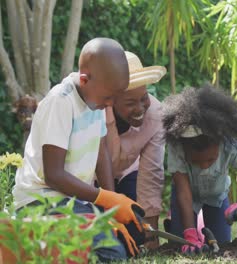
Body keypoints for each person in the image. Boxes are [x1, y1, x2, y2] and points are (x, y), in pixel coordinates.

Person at [12, 38, 145, 261]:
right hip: (40, 202)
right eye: (108, 97)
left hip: (72, 202)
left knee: (127, 239)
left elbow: (101, 150)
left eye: (115, 97)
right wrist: (105, 200)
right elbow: (54, 176)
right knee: (111, 253)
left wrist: (111, 206)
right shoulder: (61, 102)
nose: (111, 104)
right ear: (84, 80)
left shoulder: (97, 99)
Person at [162, 86, 237, 253]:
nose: (205, 165)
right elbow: (184, 194)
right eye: (196, 162)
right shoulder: (178, 148)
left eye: (211, 160)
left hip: (217, 198)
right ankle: (191, 225)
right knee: (180, 244)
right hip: (185, 199)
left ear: (220, 143)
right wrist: (189, 235)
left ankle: (198, 224)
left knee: (221, 244)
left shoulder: (229, 146)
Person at [104, 51, 166, 250]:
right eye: (130, 103)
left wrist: (151, 234)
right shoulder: (95, 113)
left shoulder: (155, 115)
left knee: (137, 234)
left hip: (128, 173)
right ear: (111, 100)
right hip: (92, 181)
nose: (140, 108)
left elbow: (151, 174)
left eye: (144, 98)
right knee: (107, 239)